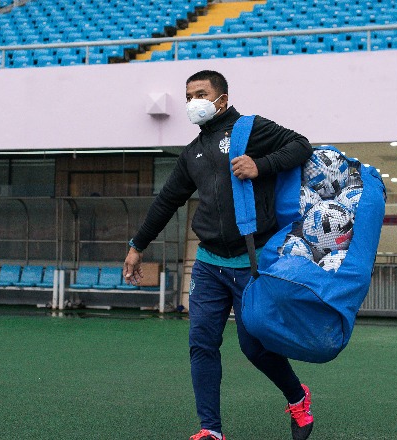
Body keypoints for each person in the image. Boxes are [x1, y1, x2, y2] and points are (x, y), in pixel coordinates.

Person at [123, 70, 315, 440]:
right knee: (202, 344)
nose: (193, 101)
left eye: (200, 94)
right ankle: (211, 429)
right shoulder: (193, 152)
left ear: (221, 99)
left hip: (251, 263)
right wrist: (137, 245)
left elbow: (301, 145)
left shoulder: (250, 128)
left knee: (254, 347)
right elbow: (167, 201)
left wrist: (262, 165)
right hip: (209, 264)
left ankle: (297, 395)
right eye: (188, 95)